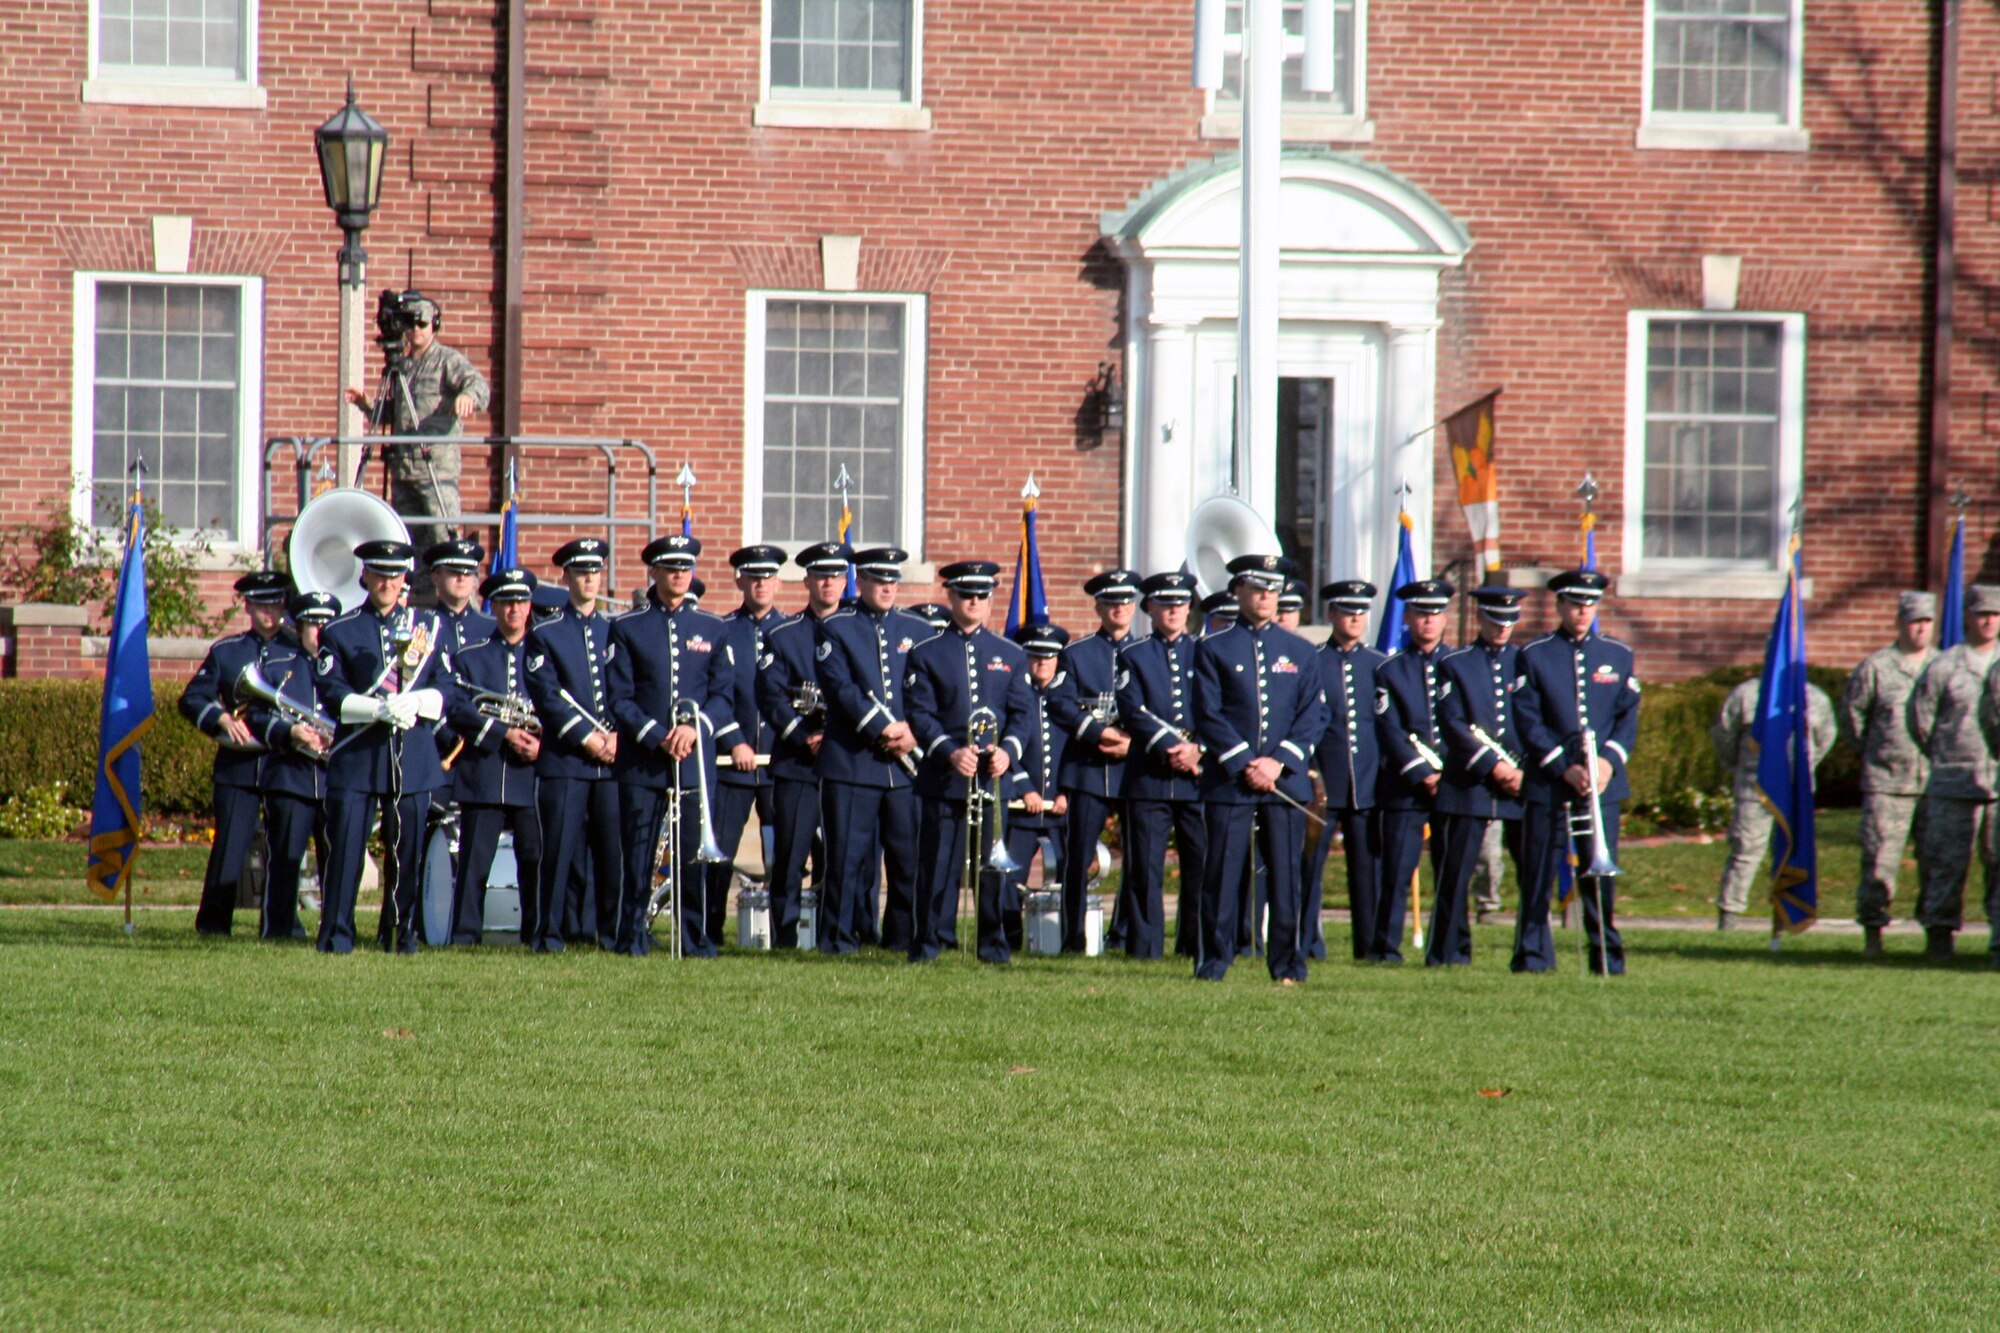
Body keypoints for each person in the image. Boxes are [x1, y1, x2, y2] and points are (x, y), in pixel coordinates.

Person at [314, 540, 456, 954]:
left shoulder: (426, 629)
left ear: (404, 579)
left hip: (411, 752)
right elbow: (331, 690)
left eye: (395, 575)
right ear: (366, 576)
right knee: (345, 852)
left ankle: (400, 933)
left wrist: (418, 701)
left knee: (406, 850)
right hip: (359, 753)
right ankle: (337, 936)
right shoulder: (340, 630)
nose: (388, 583)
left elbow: (449, 686)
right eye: (380, 574)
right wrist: (376, 708)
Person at [1191, 554, 1326, 984]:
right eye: (1256, 588)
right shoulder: (1213, 648)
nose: (1265, 596)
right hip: (1231, 778)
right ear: (1239, 592)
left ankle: (1288, 964)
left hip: (1282, 778)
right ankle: (1214, 961)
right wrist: (1244, 761)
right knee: (1222, 871)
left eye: (1273, 589)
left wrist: (1277, 761)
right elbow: (1206, 712)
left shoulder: (1302, 652)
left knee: (1286, 876)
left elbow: (1313, 715)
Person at [607, 533, 741, 957]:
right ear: (654, 571)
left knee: (691, 855)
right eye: (671, 567)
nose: (680, 574)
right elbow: (620, 698)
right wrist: (655, 735)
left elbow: (723, 697)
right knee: (638, 852)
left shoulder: (713, 628)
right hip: (643, 760)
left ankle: (692, 936)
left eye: (686, 568)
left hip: (694, 759)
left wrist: (695, 728)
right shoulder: (627, 627)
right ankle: (632, 935)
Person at [179, 571, 327, 936]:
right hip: (240, 764)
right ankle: (214, 923)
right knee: (230, 845)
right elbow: (192, 699)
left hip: (287, 764)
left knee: (286, 848)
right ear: (247, 605)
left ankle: (281, 923)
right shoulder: (227, 652)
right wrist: (220, 718)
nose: (270, 612)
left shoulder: (298, 651)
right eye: (262, 604)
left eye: (276, 604)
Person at [904, 561, 1033, 963]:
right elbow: (920, 713)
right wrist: (949, 750)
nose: (974, 602)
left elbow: (1022, 713)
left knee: (993, 869)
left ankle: (993, 946)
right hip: (945, 776)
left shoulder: (1010, 654)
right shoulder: (926, 652)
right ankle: (927, 943)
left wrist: (1008, 751)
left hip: (992, 779)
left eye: (981, 595)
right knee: (936, 864)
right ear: (952, 597)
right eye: (966, 595)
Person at [1513, 569, 1641, 975]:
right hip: (1550, 783)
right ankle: (1533, 957)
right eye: (1574, 603)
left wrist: (1607, 761)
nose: (1583, 610)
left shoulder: (1618, 655)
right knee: (1537, 875)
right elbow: (1527, 719)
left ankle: (1606, 957)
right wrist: (1562, 767)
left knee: (1600, 878)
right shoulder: (1533, 654)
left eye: (1590, 603)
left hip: (1601, 784)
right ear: (1560, 605)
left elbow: (1627, 717)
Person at [812, 547, 929, 953]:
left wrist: (914, 731)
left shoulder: (917, 628)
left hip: (907, 769)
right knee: (846, 859)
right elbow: (840, 688)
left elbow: (928, 690)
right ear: (859, 582)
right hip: (852, 762)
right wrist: (884, 728)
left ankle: (901, 939)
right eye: (879, 581)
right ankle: (838, 940)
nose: (887, 588)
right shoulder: (837, 627)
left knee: (907, 859)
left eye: (893, 580)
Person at [524, 537, 621, 952]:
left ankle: (613, 934)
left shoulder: (616, 630)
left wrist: (616, 735)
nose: (590, 579)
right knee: (559, 853)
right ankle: (549, 934)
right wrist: (587, 737)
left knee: (612, 855)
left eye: (595, 571)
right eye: (582, 572)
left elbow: (626, 689)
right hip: (566, 761)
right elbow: (546, 695)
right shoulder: (545, 633)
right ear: (565, 577)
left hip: (614, 762)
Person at [343, 290, 490, 552]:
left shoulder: (447, 360)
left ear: (434, 325)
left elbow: (477, 384)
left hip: (435, 470)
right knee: (408, 544)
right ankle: (419, 591)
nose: (416, 330)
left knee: (446, 539)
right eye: (410, 323)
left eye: (422, 323)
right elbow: (396, 416)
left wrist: (468, 396)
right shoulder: (403, 367)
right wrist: (366, 404)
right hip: (403, 470)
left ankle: (458, 592)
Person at [757, 542, 850, 948]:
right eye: (820, 575)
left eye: (835, 575)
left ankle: (835, 937)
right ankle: (785, 936)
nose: (828, 583)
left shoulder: (860, 633)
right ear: (807, 580)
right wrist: (801, 734)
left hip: (847, 761)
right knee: (791, 856)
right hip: (798, 761)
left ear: (845, 582)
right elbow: (771, 695)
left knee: (844, 855)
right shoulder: (783, 635)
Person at [444, 568, 544, 945]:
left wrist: (542, 743)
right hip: (484, 773)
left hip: (532, 774)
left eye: (520, 601)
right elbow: (457, 707)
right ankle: (465, 935)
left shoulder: (545, 655)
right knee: (474, 864)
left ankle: (536, 935)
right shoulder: (471, 656)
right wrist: (504, 732)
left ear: (529, 605)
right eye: (505, 602)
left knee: (534, 860)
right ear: (494, 606)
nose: (514, 609)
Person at [1431, 585, 1529, 965]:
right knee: (1455, 874)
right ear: (1480, 619)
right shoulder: (1456, 664)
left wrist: (1521, 769)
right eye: (1495, 620)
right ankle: (1450, 951)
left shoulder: (1527, 662)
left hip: (1522, 780)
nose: (1502, 628)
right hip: (1469, 779)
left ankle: (1532, 951)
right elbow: (1453, 724)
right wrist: (1494, 766)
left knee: (1531, 873)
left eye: (1509, 621)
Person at [1114, 571, 1206, 958]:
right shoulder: (1133, 655)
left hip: (1199, 778)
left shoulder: (1206, 653)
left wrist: (1199, 748)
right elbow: (1132, 710)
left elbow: (1219, 708)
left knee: (1202, 864)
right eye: (1165, 604)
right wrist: (1173, 746)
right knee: (1144, 869)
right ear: (1149, 608)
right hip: (1149, 776)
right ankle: (1145, 947)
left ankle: (1196, 944)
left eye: (1181, 603)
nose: (1174, 610)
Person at [1841, 591, 1936, 955]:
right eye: (1914, 621)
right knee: (1879, 861)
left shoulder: (1944, 666)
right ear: (1899, 623)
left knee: (1937, 862)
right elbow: (1853, 720)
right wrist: (1877, 754)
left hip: (1934, 782)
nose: (1920, 629)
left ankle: (1937, 937)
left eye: (1926, 622)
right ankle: (1873, 934)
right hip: (1886, 782)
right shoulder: (1876, 668)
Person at [1050, 569, 1140, 953]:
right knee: (1078, 857)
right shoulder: (1077, 652)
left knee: (1138, 858)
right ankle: (1074, 937)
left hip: (1136, 769)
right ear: (1099, 606)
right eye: (1112, 602)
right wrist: (1098, 732)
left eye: (1126, 601)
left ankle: (1123, 935)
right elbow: (1059, 703)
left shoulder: (1149, 651)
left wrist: (1132, 743)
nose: (1120, 608)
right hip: (1087, 767)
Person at [1710, 671, 1837, 930]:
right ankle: (1729, 918)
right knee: (1745, 852)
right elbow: (1725, 735)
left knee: (1791, 855)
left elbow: (1824, 739)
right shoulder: (1746, 694)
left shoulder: (1814, 697)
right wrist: (1742, 768)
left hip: (1794, 793)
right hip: (1753, 789)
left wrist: (1802, 771)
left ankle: (1785, 917)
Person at [1370, 577, 1455, 964]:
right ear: (1407, 617)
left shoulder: (1460, 665)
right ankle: (1386, 947)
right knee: (1396, 872)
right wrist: (1422, 771)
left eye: (1435, 614)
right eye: (1421, 613)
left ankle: (1450, 948)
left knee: (1452, 871)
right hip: (1405, 785)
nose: (1428, 621)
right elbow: (1388, 728)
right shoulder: (1390, 670)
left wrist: (1450, 772)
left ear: (1445, 619)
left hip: (1455, 783)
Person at [1914, 584, 2000, 962]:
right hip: (1953, 781)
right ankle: (1939, 937)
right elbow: (1920, 722)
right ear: (1967, 615)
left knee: (1998, 866)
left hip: (1996, 784)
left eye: (1995, 614)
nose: (1989, 620)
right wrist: (1946, 757)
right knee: (1946, 864)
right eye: (1982, 613)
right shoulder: (1943, 666)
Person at [707, 545, 786, 944]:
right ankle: (709, 931)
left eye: (768, 576)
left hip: (781, 763)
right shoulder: (721, 631)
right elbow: (713, 693)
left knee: (783, 856)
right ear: (739, 580)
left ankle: (785, 935)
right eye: (753, 576)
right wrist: (734, 741)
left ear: (778, 581)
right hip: (731, 762)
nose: (761, 583)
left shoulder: (793, 632)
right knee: (719, 854)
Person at [1303, 580, 1384, 962]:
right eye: (1347, 611)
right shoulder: (1313, 660)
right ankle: (1304, 942)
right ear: (1332, 615)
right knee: (1309, 870)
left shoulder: (1380, 664)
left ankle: (1368, 946)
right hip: (1322, 783)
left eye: (1361, 611)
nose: (1355, 618)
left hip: (1366, 785)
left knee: (1367, 872)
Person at [1005, 623, 1072, 950]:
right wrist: (1024, 788)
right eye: (1034, 656)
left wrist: (1066, 792)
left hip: (1059, 810)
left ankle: (1060, 940)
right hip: (1022, 810)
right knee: (1009, 878)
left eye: (1049, 656)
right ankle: (1008, 938)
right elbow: (1006, 747)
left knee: (1065, 876)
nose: (1042, 662)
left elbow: (1076, 750)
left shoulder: (1069, 698)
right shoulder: (1015, 695)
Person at [423, 538, 494, 651]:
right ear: (436, 576)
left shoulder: (492, 627)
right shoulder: (422, 625)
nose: (461, 578)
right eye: (454, 572)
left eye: (468, 573)